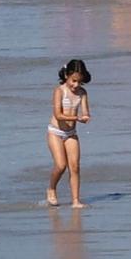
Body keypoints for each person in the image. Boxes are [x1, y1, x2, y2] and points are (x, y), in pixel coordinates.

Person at [45, 59, 91, 207]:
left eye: (79, 81)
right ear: (66, 76)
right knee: (60, 165)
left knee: (75, 167)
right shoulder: (59, 91)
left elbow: (85, 112)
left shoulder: (82, 93)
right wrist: (76, 118)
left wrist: (85, 117)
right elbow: (58, 115)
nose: (76, 85)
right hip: (55, 132)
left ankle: (76, 200)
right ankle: (51, 188)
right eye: (73, 81)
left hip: (71, 133)